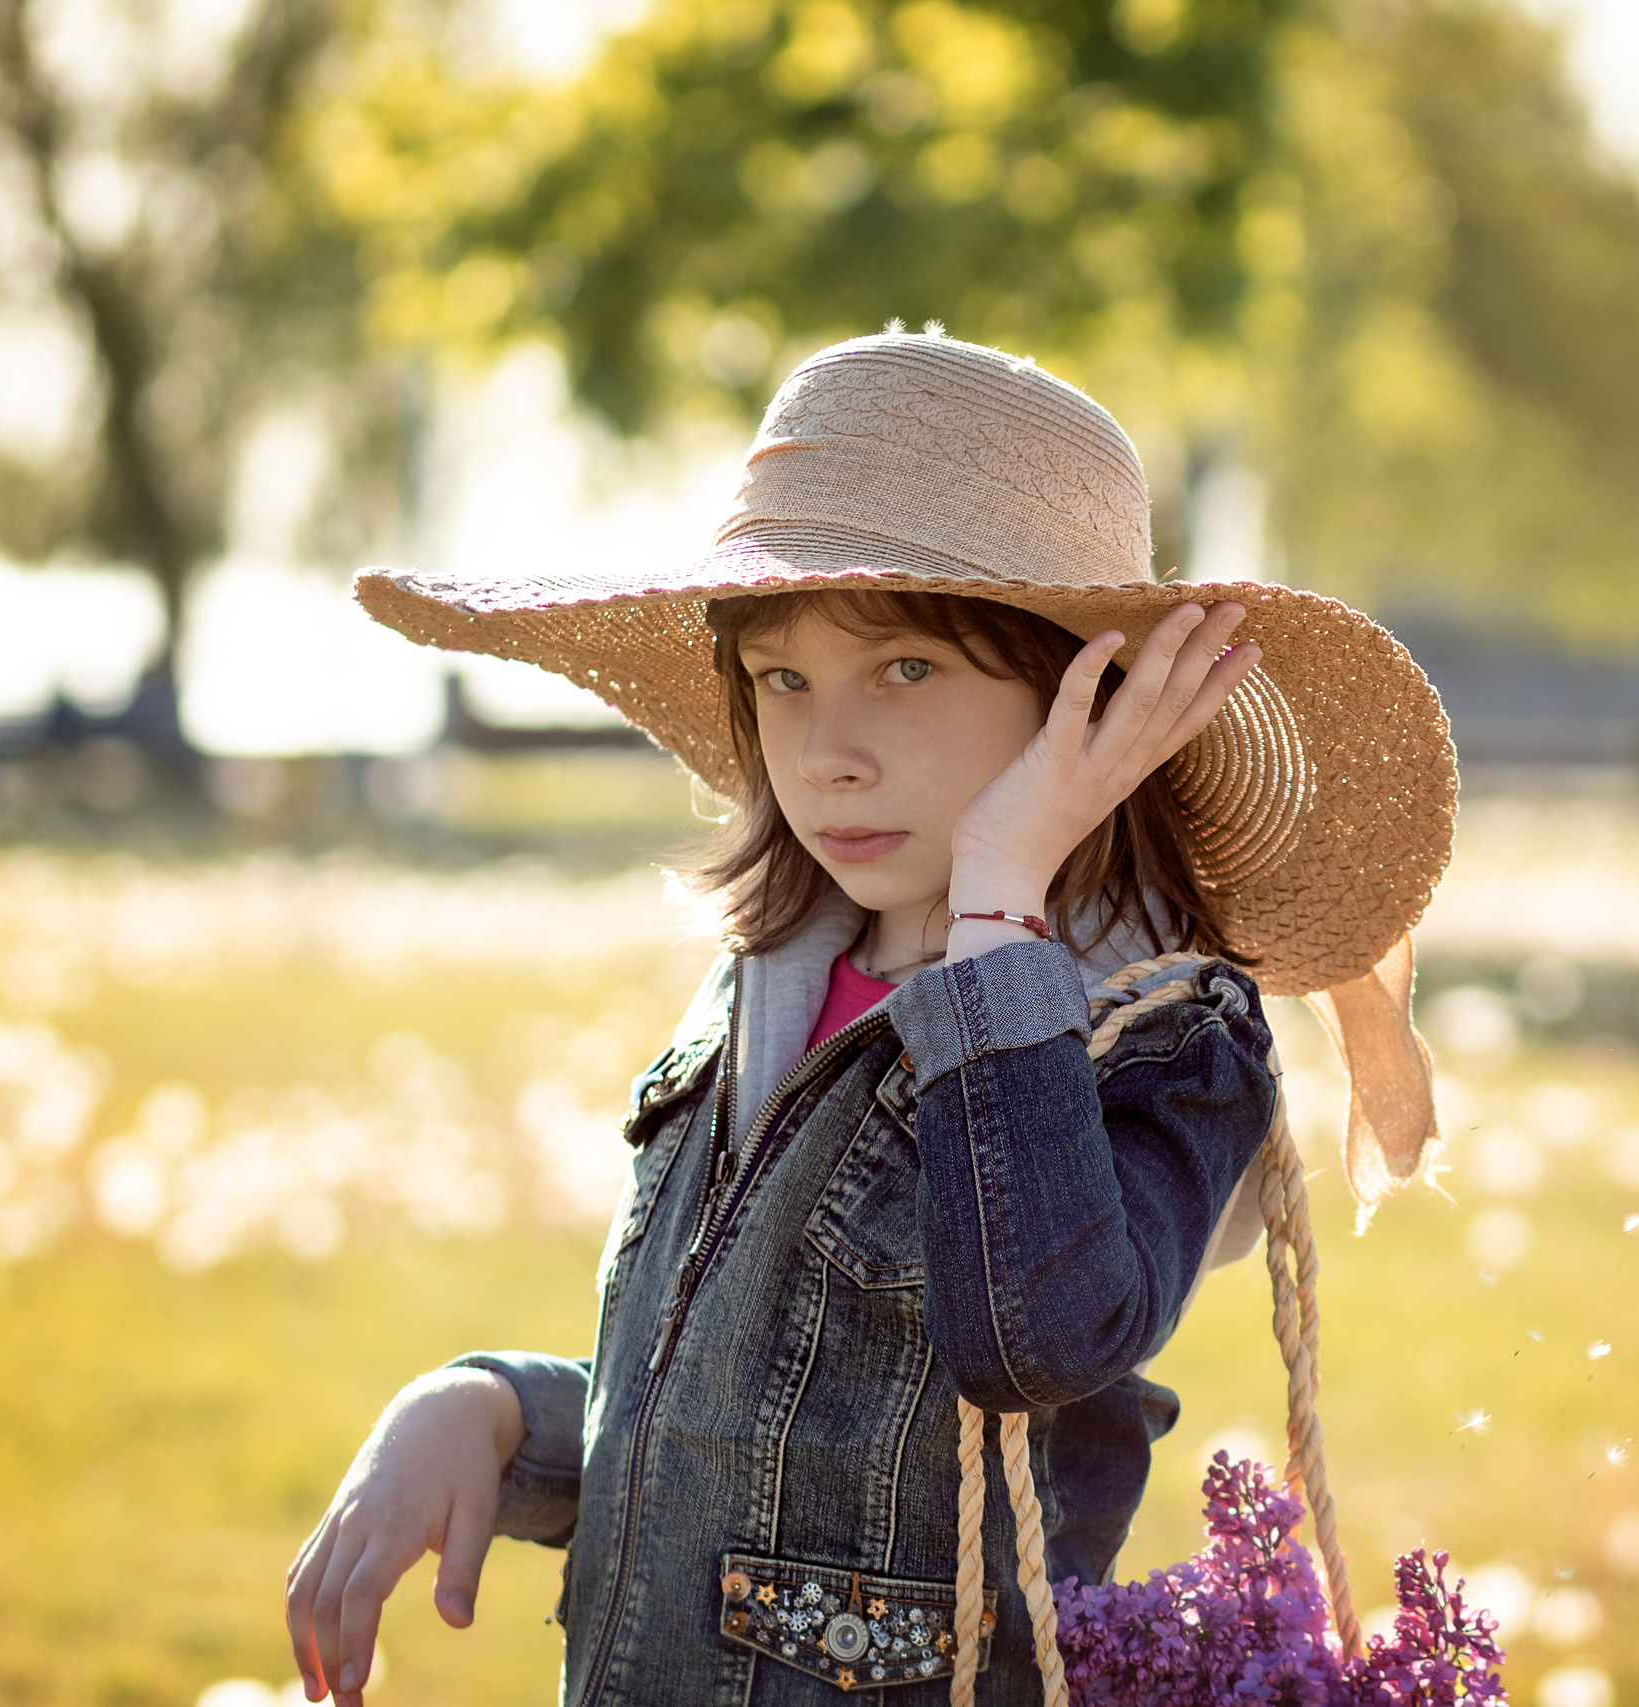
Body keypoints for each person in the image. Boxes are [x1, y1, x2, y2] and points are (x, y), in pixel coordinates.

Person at [284, 328, 1455, 1707]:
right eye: (784, 679)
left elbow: (1036, 1340)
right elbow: (745, 1415)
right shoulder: (765, 980)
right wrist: (484, 1414)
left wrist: (1002, 897)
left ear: (1087, 695)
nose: (826, 750)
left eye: (904, 670)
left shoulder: (1158, 1034)